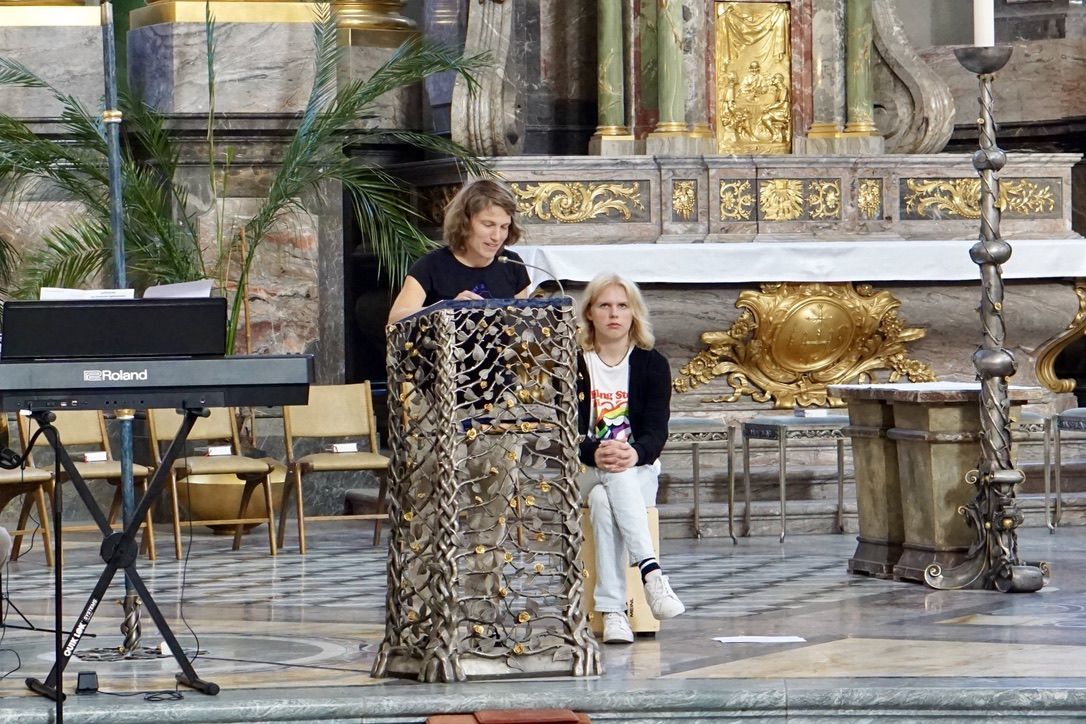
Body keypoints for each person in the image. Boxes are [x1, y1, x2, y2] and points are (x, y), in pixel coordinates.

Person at [576, 273, 685, 645]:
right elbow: (563, 431)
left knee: (605, 497)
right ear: (590, 313)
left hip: (637, 471)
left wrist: (634, 452)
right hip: (585, 469)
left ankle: (613, 613)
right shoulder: (574, 363)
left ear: (634, 313)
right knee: (609, 476)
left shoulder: (652, 364)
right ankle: (651, 574)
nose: (614, 314)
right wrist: (594, 451)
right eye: (604, 305)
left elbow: (656, 432)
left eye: (622, 306)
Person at [387, 179, 530, 324]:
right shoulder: (430, 266)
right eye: (488, 225)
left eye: (504, 227)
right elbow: (394, 321)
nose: (497, 236)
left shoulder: (512, 264)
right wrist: (447, 309)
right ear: (464, 222)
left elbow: (521, 325)